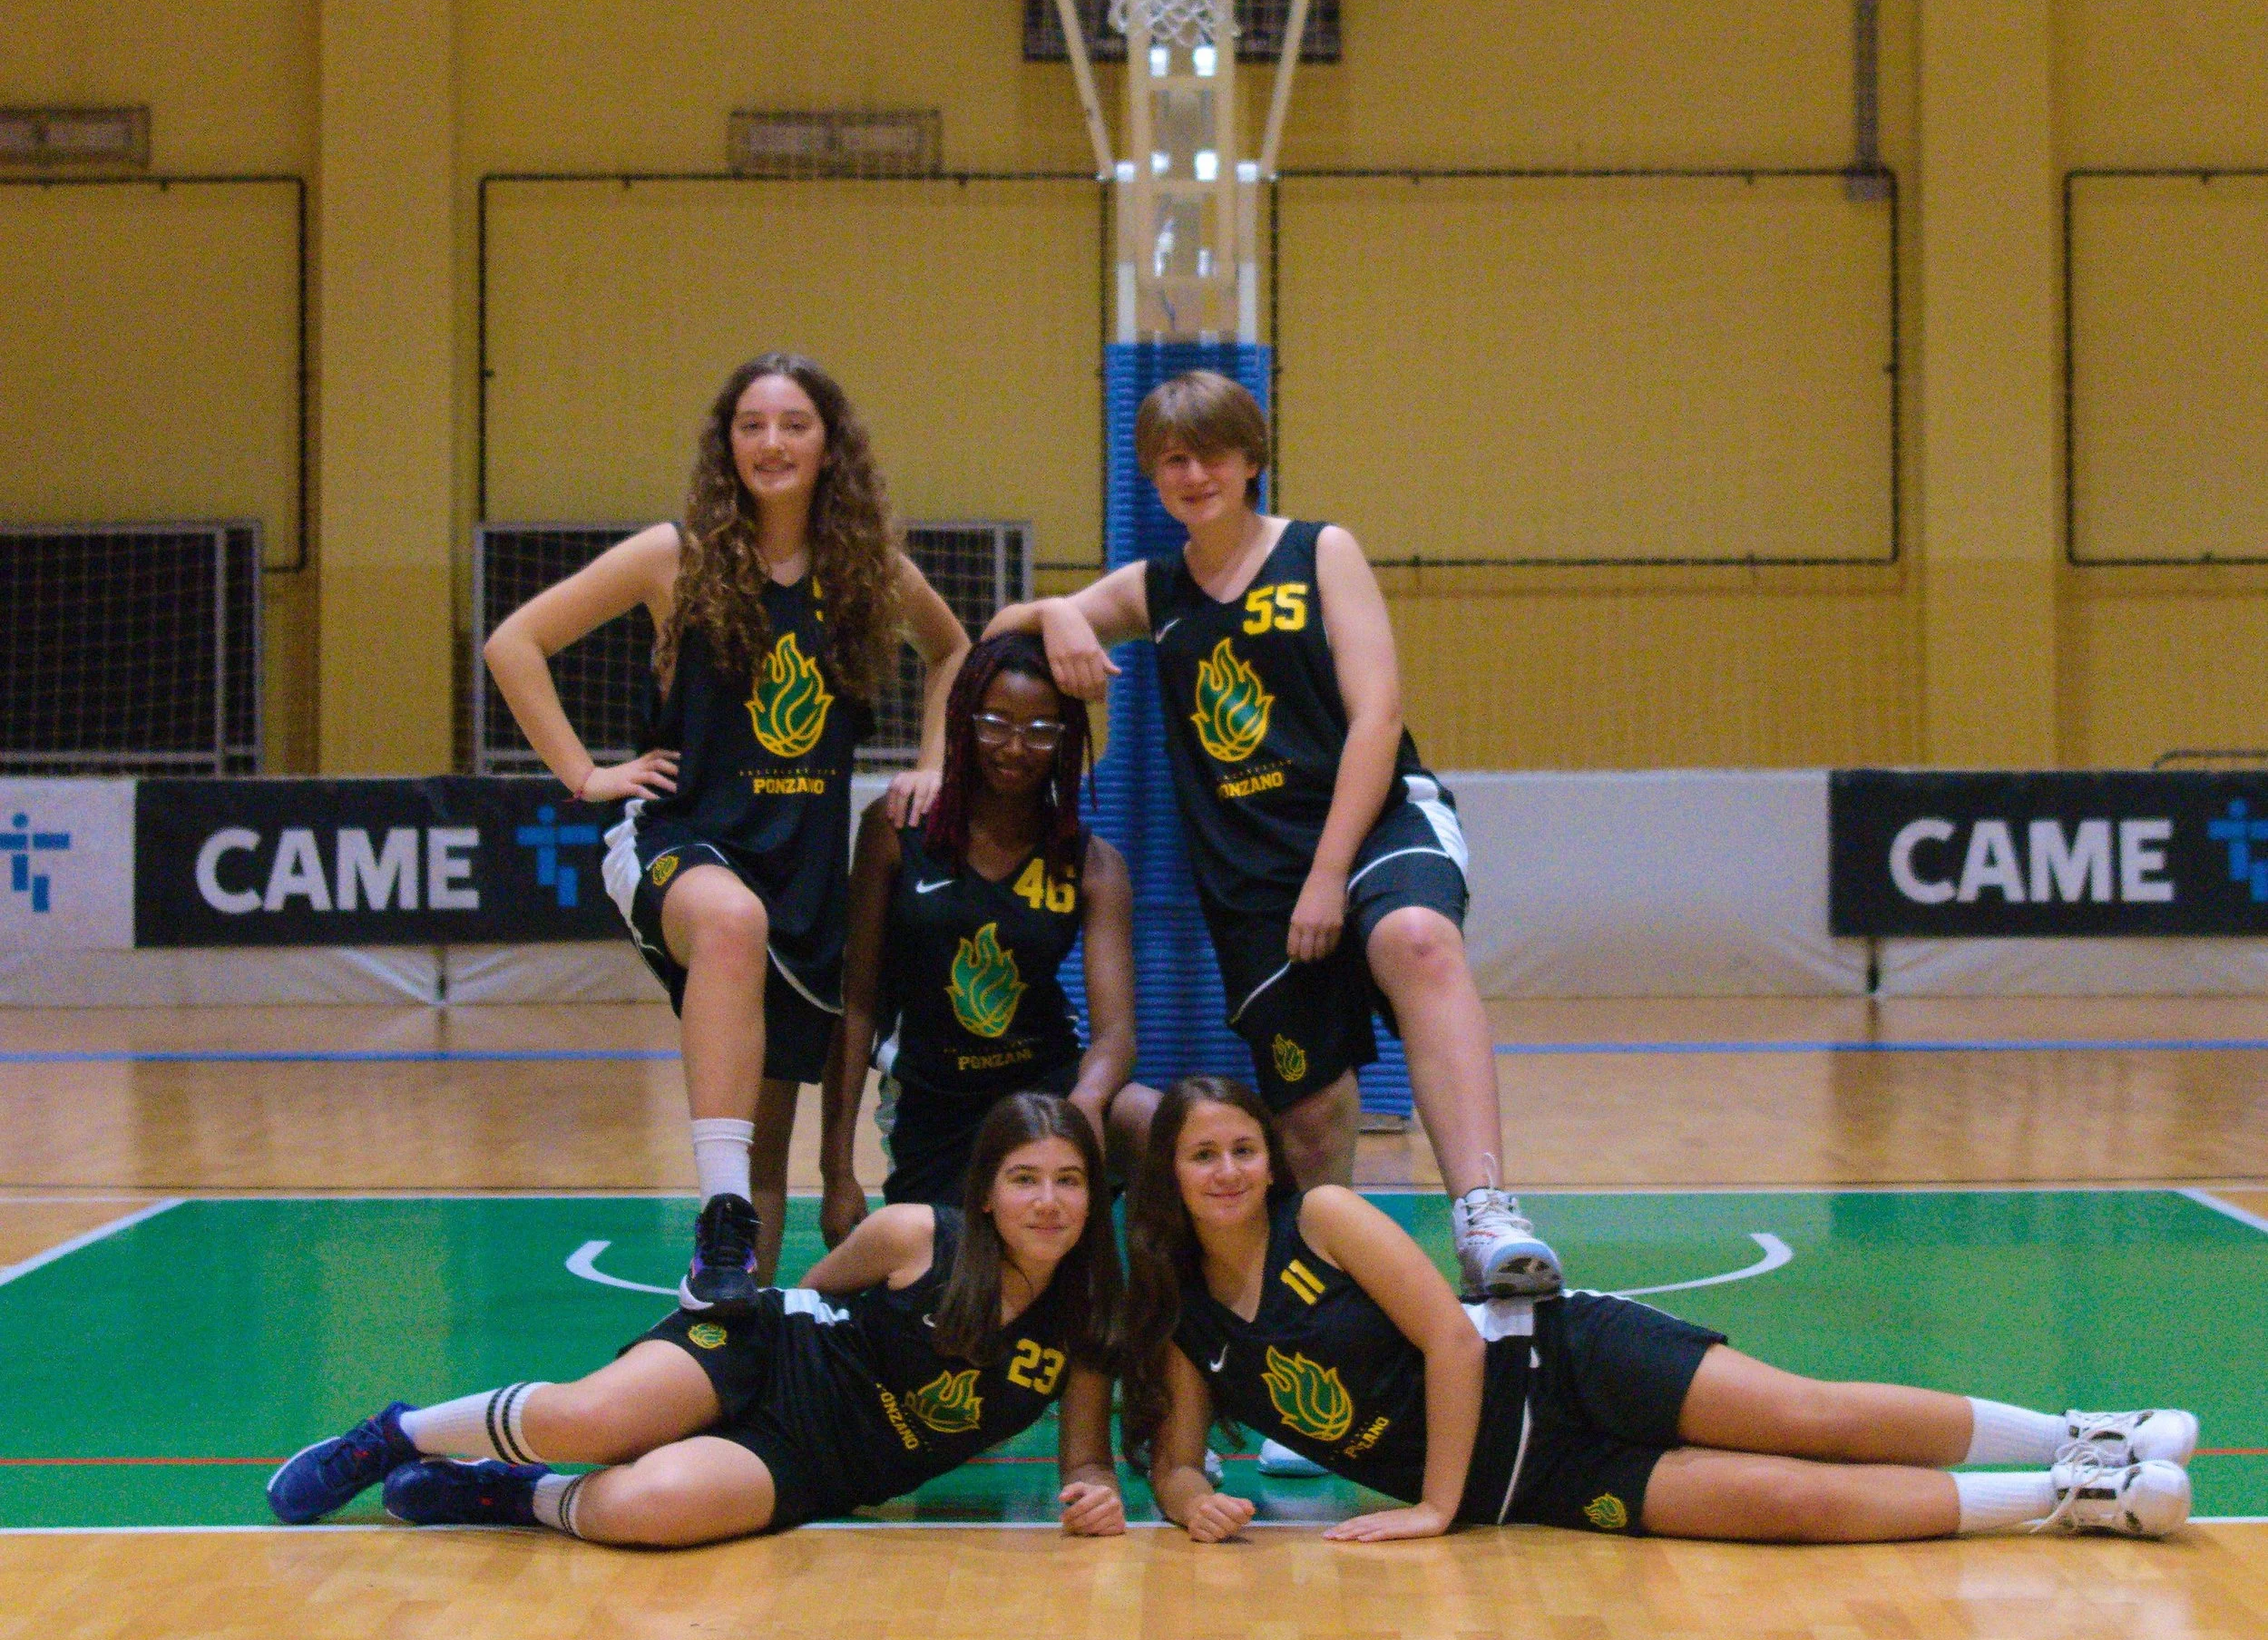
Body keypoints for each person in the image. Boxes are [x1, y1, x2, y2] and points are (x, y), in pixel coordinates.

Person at [987, 366, 1555, 1305]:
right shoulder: (1156, 589)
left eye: (1212, 453)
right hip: (1252, 876)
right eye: (1173, 459)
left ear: (1251, 457)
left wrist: (1329, 875)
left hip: (1374, 825)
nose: (1194, 473)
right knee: (1311, 1124)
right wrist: (1055, 611)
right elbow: (1001, 635)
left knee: (1416, 938)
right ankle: (1327, 1306)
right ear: (1152, 474)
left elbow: (1376, 717)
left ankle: (1487, 1216)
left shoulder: (1318, 550)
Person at [1123, 1076, 2198, 1548]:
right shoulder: (1186, 1318)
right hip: (1537, 1481)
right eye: (1202, 1153)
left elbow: (1451, 1337)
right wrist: (1190, 1499)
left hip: (1562, 1359)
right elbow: (1174, 1460)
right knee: (1793, 1506)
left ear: (1270, 1158)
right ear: (1168, 1172)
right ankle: (2074, 1497)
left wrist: (1434, 1506)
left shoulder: (1324, 1215)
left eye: (1243, 1147)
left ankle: (2083, 1429)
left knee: (1809, 1416)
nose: (1227, 1169)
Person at [483, 351, 967, 1306]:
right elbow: (515, 643)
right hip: (680, 842)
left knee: (765, 1143)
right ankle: (718, 1210)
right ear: (726, 444)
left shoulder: (867, 571)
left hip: (802, 871)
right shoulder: (676, 555)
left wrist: (935, 761)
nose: (771, 442)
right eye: (751, 424)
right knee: (730, 921)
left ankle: (728, 1320)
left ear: (830, 445)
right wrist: (584, 773)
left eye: (793, 424)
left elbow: (954, 650)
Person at [266, 1093, 1125, 1547]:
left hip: (820, 1463)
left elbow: (1085, 1456)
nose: (1048, 1201)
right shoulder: (917, 1235)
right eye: (1025, 1178)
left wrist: (1096, 1494)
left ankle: (504, 1494)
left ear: (1095, 1195)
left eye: (1070, 1181)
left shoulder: (1085, 1317)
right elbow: (808, 1296)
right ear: (986, 1192)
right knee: (591, 1419)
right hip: (762, 1355)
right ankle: (393, 1436)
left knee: (653, 1505)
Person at [821, 632, 1154, 1226]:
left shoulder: (1093, 864)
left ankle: (1159, 1286)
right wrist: (836, 1173)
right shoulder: (895, 832)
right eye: (995, 723)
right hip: (934, 1108)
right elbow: (857, 1008)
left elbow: (1115, 1036)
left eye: (1041, 730)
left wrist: (1085, 1102)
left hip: (1048, 1093)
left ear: (1067, 738)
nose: (1015, 747)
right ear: (963, 722)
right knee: (953, 1268)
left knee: (1152, 1120)